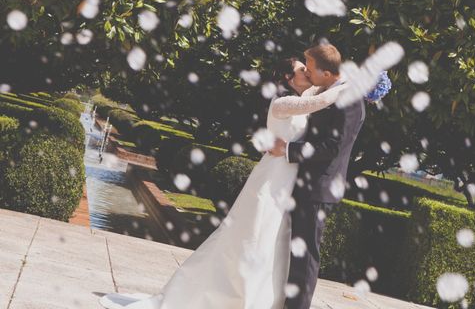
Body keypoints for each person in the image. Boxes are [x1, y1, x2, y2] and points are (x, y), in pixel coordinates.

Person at [99, 55, 348, 309]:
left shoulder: (301, 98)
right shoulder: (283, 102)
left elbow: (319, 92)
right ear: (287, 77)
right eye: (302, 70)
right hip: (273, 176)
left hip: (288, 180)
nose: (308, 74)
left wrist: (338, 81)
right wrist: (351, 84)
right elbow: (323, 98)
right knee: (251, 236)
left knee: (273, 241)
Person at [269, 43, 366, 309]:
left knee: (306, 257)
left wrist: (288, 149)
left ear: (326, 72)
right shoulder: (328, 91)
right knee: (295, 253)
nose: (308, 73)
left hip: (319, 188)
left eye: (310, 68)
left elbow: (331, 147)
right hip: (307, 185)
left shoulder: (349, 99)